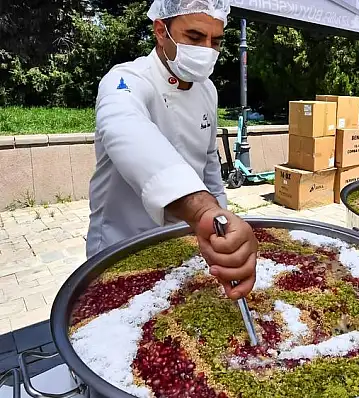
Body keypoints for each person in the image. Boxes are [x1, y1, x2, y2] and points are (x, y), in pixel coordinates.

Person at [87, 0, 257, 300]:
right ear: (160, 31)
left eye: (215, 41)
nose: (206, 50)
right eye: (194, 37)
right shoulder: (126, 79)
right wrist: (203, 211)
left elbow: (209, 168)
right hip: (123, 243)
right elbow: (124, 129)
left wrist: (220, 223)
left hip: (184, 243)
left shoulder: (208, 89)